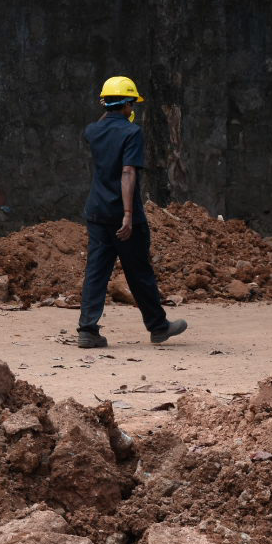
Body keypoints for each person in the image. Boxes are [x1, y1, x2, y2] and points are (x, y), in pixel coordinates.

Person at [76, 75, 186, 349]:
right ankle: (158, 327)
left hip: (97, 212)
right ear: (127, 104)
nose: (133, 108)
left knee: (96, 272)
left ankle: (88, 330)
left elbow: (101, 123)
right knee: (139, 272)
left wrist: (109, 109)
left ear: (105, 103)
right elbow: (128, 172)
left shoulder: (92, 131)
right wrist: (127, 214)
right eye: (132, 104)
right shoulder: (132, 132)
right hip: (122, 214)